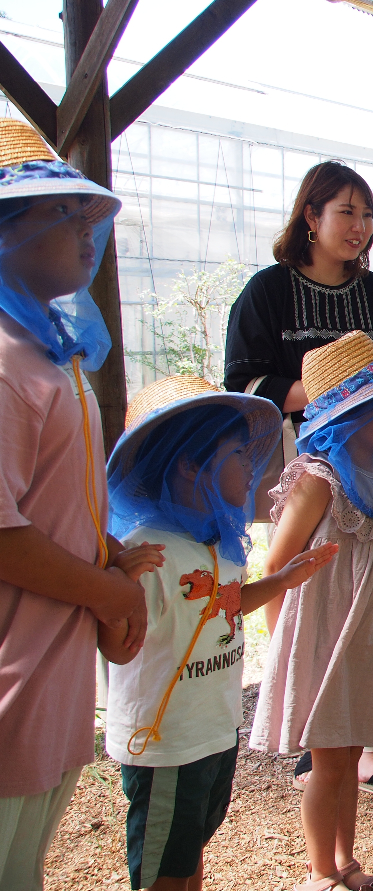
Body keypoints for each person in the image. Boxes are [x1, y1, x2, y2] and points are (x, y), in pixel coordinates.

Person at [223, 161, 373, 798]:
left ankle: (360, 743)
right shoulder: (267, 291)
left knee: (365, 592)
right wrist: (327, 395)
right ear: (311, 216)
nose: (360, 228)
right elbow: (244, 382)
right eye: (346, 213)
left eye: (367, 215)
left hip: (372, 469)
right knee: (299, 583)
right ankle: (308, 721)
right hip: (300, 464)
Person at [0, 118, 162, 889]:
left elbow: (56, 503)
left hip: (49, 674)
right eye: (61, 215)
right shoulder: (3, 363)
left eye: (86, 213)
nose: (85, 232)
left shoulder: (48, 353)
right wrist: (114, 592)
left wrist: (109, 566)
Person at [104, 375, 338, 891]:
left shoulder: (216, 541)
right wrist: (116, 585)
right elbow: (117, 649)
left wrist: (279, 581)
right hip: (165, 743)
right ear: (190, 463)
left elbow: (223, 603)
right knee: (164, 866)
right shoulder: (146, 550)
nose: (251, 464)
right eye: (238, 452)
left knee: (190, 850)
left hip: (213, 731)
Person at [249, 330, 373, 891]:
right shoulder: (316, 480)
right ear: (348, 415)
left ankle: (348, 863)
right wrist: (285, 645)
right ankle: (319, 871)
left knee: (352, 755)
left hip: (360, 640)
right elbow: (276, 568)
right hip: (318, 641)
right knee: (328, 763)